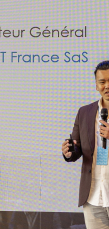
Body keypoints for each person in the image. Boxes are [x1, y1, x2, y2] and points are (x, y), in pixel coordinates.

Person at [62, 60, 109, 229]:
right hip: (93, 194)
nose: (107, 86)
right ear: (96, 85)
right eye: (102, 82)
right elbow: (77, 148)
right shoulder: (85, 112)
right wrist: (69, 152)